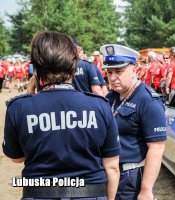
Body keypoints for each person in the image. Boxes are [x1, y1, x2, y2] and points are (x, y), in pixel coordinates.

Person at [3, 31, 120, 200]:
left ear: (36, 68)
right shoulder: (100, 106)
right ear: (74, 65)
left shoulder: (18, 107)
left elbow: (17, 158)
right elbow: (112, 167)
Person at [100, 44, 167, 200]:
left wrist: (146, 190)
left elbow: (157, 148)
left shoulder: (148, 100)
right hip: (108, 173)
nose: (113, 77)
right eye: (109, 72)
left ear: (134, 70)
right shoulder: (111, 97)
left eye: (119, 72)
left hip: (131, 178)